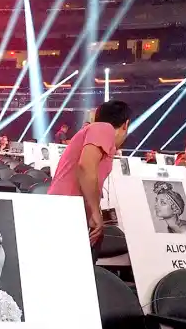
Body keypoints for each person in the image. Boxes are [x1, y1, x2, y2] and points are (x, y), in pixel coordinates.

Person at [49, 99, 132, 247]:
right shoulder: (103, 129)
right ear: (126, 124)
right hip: (68, 210)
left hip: (69, 209)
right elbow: (86, 167)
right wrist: (95, 211)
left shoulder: (97, 135)